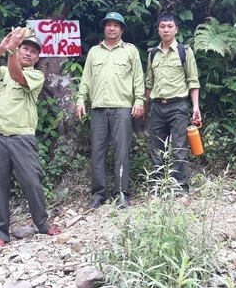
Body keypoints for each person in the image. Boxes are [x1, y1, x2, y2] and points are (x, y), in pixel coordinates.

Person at [0, 27, 60, 249]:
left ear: (37, 58)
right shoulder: (2, 72)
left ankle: (42, 223)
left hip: (22, 138)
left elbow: (17, 75)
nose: (27, 53)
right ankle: (0, 233)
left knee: (31, 182)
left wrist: (12, 51)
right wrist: (2, 47)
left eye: (33, 52)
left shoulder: (36, 75)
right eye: (25, 48)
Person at [76, 12, 145, 209]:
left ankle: (121, 193)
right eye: (109, 25)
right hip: (98, 109)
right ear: (104, 28)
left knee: (121, 153)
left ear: (122, 29)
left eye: (116, 25)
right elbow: (86, 79)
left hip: (122, 108)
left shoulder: (130, 51)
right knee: (97, 153)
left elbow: (138, 78)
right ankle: (98, 195)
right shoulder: (94, 52)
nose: (112, 28)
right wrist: (81, 100)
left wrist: (139, 101)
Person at [144, 13, 201, 198]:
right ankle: (156, 189)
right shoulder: (152, 53)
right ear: (158, 29)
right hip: (157, 107)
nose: (166, 30)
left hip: (178, 107)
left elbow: (193, 80)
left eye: (169, 26)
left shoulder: (185, 51)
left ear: (176, 29)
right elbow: (149, 83)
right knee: (156, 149)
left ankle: (180, 190)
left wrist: (195, 107)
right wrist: (145, 107)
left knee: (179, 149)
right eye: (162, 26)